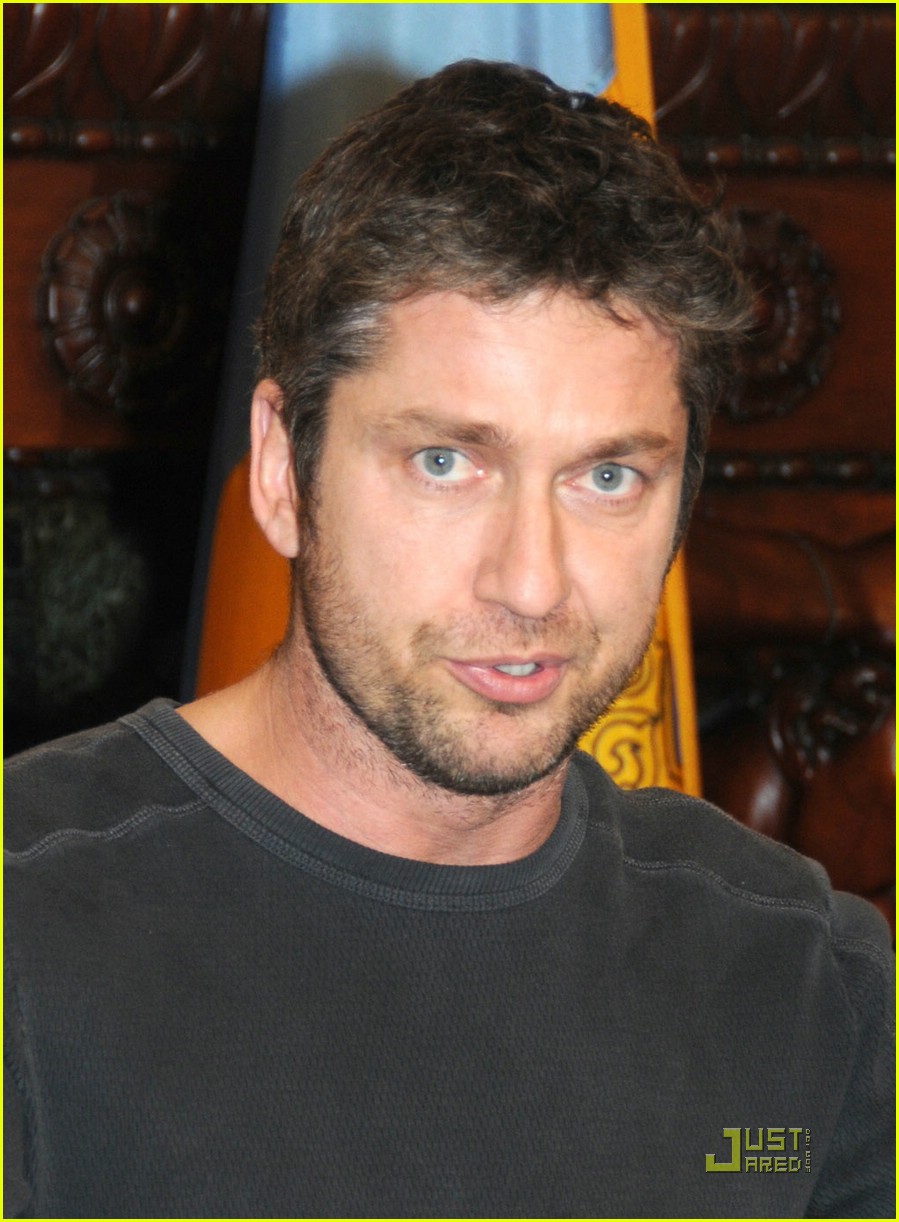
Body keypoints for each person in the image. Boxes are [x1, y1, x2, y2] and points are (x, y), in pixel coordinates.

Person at [5, 61, 893, 1219]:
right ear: (281, 471)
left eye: (607, 477)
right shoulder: (29, 937)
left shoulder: (809, 986)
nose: (529, 580)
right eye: (445, 462)